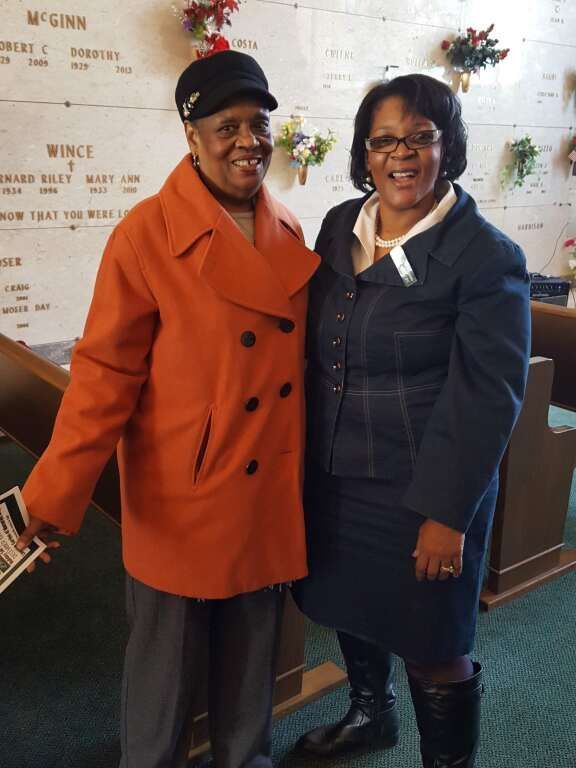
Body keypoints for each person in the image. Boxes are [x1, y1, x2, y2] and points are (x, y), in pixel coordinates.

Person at [16, 51, 319, 768]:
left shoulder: (290, 232)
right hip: (183, 493)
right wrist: (51, 495)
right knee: (164, 678)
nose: (249, 141)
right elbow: (104, 378)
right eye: (227, 126)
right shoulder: (145, 235)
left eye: (259, 123)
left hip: (265, 488)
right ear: (191, 136)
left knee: (250, 668)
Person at [292, 74, 530, 768]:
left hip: (423, 490)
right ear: (365, 154)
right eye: (385, 140)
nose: (403, 154)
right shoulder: (342, 225)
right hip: (338, 473)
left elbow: (489, 396)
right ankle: (371, 715)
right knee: (350, 606)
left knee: (435, 643)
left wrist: (447, 515)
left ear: (446, 146)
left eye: (421, 138)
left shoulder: (487, 257)